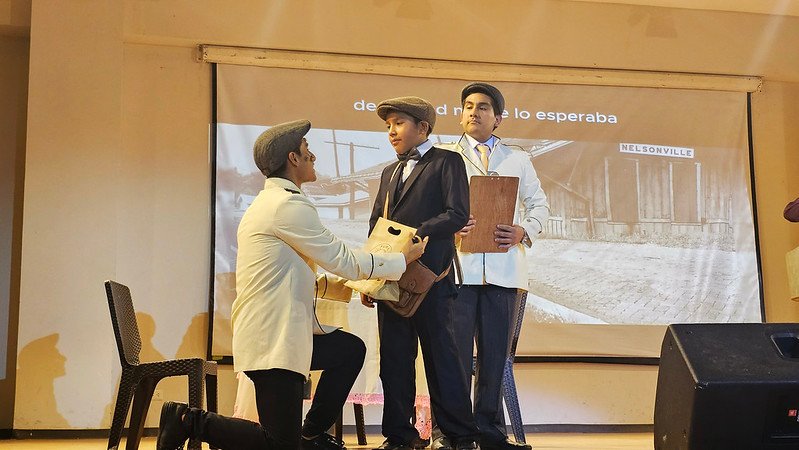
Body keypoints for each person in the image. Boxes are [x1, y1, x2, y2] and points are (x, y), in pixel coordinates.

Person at [156, 119, 428, 450]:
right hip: (273, 338)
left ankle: (310, 433)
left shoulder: (274, 202)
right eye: (306, 149)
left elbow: (293, 273)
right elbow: (343, 259)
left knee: (349, 350)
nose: (312, 156)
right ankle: (189, 420)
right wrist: (402, 259)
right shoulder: (286, 205)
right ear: (293, 158)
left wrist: (356, 288)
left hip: (283, 333)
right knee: (280, 445)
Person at [360, 97, 480, 450]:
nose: (391, 132)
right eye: (388, 126)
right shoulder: (389, 172)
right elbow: (376, 225)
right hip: (391, 278)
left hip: (432, 278)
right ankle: (400, 436)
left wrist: (414, 235)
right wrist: (370, 276)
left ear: (423, 127)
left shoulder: (447, 161)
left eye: (398, 123)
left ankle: (460, 435)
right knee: (394, 360)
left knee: (442, 358)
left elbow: (457, 214)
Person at [435, 83, 550, 450]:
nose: (474, 112)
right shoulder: (444, 156)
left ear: (497, 118)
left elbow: (540, 205)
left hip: (504, 272)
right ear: (460, 115)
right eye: (468, 106)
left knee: (494, 357)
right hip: (457, 271)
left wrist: (523, 230)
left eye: (483, 107)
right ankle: (448, 432)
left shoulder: (518, 158)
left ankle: (489, 433)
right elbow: (430, 209)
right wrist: (450, 227)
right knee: (451, 356)